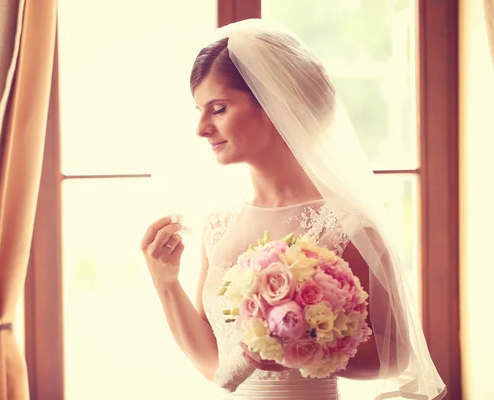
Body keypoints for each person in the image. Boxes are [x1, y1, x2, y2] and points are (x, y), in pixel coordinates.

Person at [140, 19, 446, 399]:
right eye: (200, 110)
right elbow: (217, 367)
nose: (201, 128)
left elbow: (395, 355)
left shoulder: (345, 226)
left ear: (274, 104)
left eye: (217, 109)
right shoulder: (218, 227)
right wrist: (165, 281)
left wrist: (300, 346)